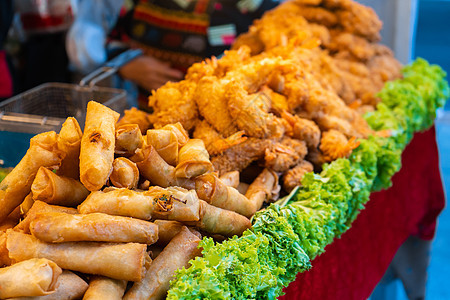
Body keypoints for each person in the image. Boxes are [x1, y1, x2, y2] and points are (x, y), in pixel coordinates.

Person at [66, 0, 280, 107]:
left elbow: (280, 39)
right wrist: (125, 62)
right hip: (140, 107)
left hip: (224, 107)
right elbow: (86, 36)